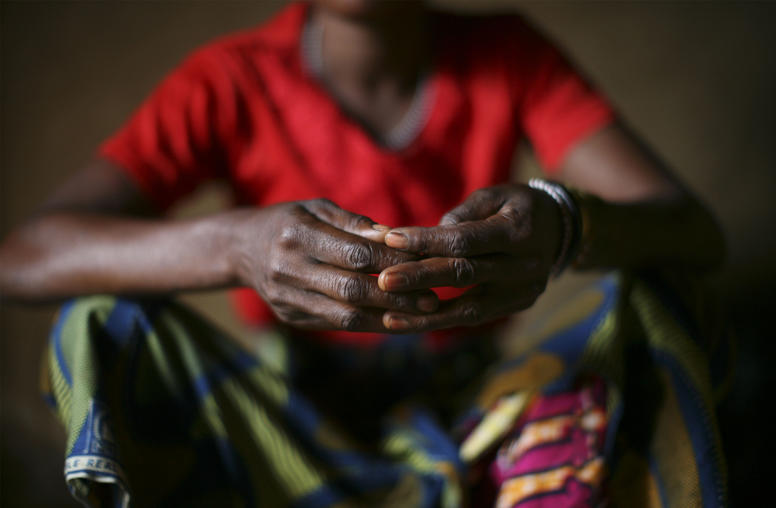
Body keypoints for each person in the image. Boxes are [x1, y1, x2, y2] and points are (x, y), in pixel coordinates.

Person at [0, 1, 727, 507]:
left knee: (654, 296)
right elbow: (24, 256)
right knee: (101, 320)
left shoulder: (509, 56)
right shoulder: (230, 82)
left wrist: (565, 221)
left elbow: (692, 231)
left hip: (486, 425)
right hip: (291, 432)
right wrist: (232, 244)